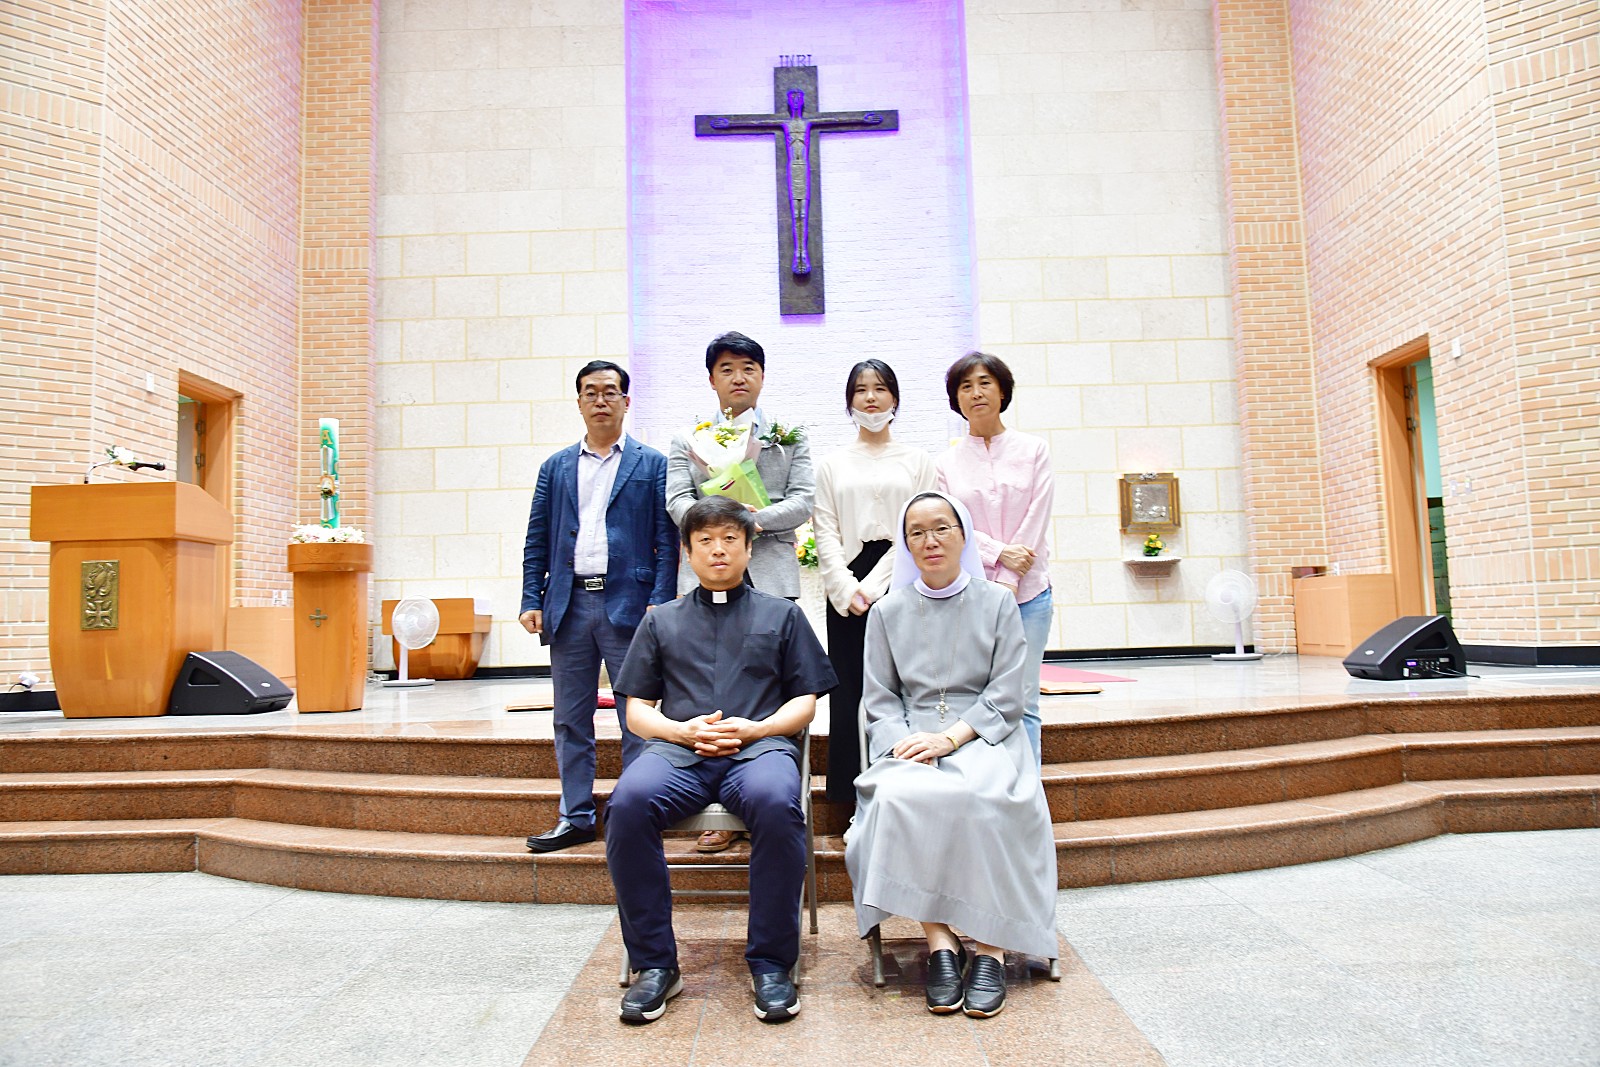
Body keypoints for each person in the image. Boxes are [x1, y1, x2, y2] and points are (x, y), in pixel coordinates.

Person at [605, 496, 838, 1025]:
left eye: (730, 538)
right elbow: (637, 711)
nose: (718, 550)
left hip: (758, 750)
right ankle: (655, 965)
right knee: (627, 804)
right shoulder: (661, 621)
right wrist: (680, 731)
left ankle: (772, 964)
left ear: (749, 548)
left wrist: (758, 728)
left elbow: (805, 702)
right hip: (677, 752)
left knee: (777, 803)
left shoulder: (783, 614)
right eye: (705, 540)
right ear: (687, 553)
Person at [845, 491, 1057, 1019]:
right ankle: (941, 941)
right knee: (896, 798)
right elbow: (879, 697)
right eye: (916, 532)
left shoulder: (998, 603)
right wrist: (901, 743)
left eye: (941, 528)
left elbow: (1009, 691)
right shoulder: (887, 612)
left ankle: (990, 948)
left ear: (963, 535)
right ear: (906, 544)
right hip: (912, 737)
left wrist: (953, 738)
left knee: (989, 798)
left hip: (985, 732)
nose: (930, 541)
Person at [666, 330, 817, 852]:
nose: (738, 377)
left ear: (762, 376)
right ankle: (718, 807)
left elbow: (803, 500)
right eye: (727, 368)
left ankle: (769, 793)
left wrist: (753, 522)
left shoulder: (788, 435)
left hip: (769, 569)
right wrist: (720, 525)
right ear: (712, 379)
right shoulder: (688, 438)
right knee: (708, 683)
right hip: (705, 573)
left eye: (749, 368)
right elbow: (676, 500)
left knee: (774, 684)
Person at [519, 360, 678, 853]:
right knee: (570, 718)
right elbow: (537, 538)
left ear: (626, 402)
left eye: (610, 392)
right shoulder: (556, 467)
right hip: (568, 605)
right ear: (579, 402)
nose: (601, 400)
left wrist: (660, 599)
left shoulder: (652, 464)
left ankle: (637, 814)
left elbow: (667, 540)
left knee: (637, 716)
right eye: (591, 392)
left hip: (630, 604)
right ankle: (576, 817)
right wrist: (530, 597)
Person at [811, 359, 934, 810]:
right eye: (860, 390)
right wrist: (845, 589)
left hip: (904, 577)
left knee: (904, 687)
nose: (870, 398)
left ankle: (905, 794)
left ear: (894, 398)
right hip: (847, 586)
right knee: (849, 692)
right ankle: (849, 801)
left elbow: (921, 525)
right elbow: (824, 529)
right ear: (849, 401)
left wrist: (877, 584)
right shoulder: (831, 463)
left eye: (880, 388)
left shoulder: (918, 461)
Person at [935, 351, 1055, 762]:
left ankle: (1027, 789)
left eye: (985, 383)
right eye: (966, 386)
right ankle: (985, 783)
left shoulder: (1034, 450)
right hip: (973, 594)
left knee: (1024, 698)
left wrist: (1010, 577)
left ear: (1003, 391)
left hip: (1030, 594)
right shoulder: (946, 463)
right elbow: (953, 523)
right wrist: (1000, 553)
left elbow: (1037, 513)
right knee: (976, 696)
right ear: (956, 399)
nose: (976, 393)